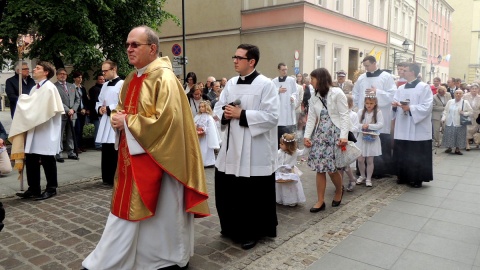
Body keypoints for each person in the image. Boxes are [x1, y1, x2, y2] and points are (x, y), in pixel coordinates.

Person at [82, 25, 209, 270]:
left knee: (164, 212)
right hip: (134, 155)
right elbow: (121, 108)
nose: (129, 49)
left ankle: (169, 257)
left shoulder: (164, 78)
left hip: (162, 159)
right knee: (134, 210)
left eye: (135, 44)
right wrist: (119, 118)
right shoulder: (132, 77)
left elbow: (166, 121)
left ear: (152, 48)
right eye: (127, 44)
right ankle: (142, 255)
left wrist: (127, 122)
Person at [213, 43, 279, 250]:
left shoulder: (265, 84)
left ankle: (252, 232)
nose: (235, 60)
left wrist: (241, 114)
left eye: (239, 58)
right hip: (231, 147)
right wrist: (225, 112)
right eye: (234, 56)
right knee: (228, 190)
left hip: (254, 149)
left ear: (251, 61)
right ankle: (231, 227)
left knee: (251, 196)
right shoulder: (231, 83)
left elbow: (272, 116)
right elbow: (218, 106)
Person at [10, 61, 64, 200]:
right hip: (34, 129)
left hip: (46, 129)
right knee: (32, 159)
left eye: (38, 68)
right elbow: (32, 107)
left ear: (46, 72)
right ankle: (33, 188)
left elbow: (41, 109)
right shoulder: (35, 88)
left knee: (47, 159)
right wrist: (24, 101)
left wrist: (24, 102)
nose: (34, 69)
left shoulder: (49, 88)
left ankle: (51, 188)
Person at [304, 68, 349, 213]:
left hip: (334, 134)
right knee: (320, 169)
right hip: (320, 135)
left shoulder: (337, 93)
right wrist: (306, 136)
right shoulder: (314, 96)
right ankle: (320, 200)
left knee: (332, 169)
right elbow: (311, 118)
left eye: (313, 79)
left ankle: (338, 190)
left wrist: (344, 136)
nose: (311, 82)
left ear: (321, 79)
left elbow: (344, 116)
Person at [352, 55, 396, 177]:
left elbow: (392, 94)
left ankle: (379, 170)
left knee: (379, 141)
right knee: (362, 141)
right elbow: (355, 93)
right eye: (364, 66)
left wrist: (377, 92)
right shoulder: (361, 78)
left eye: (367, 65)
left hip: (380, 114)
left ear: (374, 63)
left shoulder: (386, 77)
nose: (366, 68)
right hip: (364, 115)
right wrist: (358, 108)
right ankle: (362, 169)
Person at [392, 63, 434, 188]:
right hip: (403, 126)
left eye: (405, 70)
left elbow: (427, 106)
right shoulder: (400, 88)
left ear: (413, 72)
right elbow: (395, 101)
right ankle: (403, 175)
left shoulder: (424, 87)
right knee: (403, 150)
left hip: (418, 128)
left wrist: (410, 108)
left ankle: (417, 178)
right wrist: (395, 106)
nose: (402, 72)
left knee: (416, 153)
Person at [95, 60, 123, 186]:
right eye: (103, 71)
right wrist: (100, 108)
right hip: (105, 119)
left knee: (114, 149)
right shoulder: (105, 85)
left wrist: (109, 108)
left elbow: (123, 102)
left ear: (114, 69)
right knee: (106, 149)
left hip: (116, 119)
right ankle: (106, 177)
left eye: (106, 70)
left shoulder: (122, 84)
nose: (103, 73)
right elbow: (99, 100)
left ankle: (115, 177)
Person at [355, 95, 384, 187]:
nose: (369, 105)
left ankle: (368, 178)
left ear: (375, 104)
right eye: (367, 103)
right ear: (364, 103)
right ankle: (362, 175)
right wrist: (362, 126)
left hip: (372, 138)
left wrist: (369, 126)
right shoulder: (360, 112)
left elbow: (380, 124)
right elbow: (356, 124)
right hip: (361, 138)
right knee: (360, 159)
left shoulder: (378, 112)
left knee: (370, 160)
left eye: (371, 103)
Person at [54, 68, 80, 162]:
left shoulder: (71, 86)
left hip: (72, 114)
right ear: (57, 75)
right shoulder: (54, 87)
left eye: (64, 74)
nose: (63, 75)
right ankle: (59, 153)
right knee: (59, 135)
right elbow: (57, 100)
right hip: (61, 114)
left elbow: (78, 99)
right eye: (60, 74)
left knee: (71, 134)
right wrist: (68, 110)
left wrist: (73, 110)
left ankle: (71, 152)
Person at [275, 133, 307, 207]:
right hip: (281, 172)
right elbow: (274, 159)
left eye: (282, 144)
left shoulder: (295, 152)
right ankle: (281, 199)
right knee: (282, 187)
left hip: (291, 172)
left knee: (291, 187)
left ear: (288, 145)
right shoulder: (279, 152)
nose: (280, 145)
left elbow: (303, 152)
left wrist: (307, 147)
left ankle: (292, 200)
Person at [272, 63, 298, 145]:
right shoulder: (274, 81)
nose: (285, 71)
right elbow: (271, 93)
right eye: (283, 70)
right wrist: (278, 90)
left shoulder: (291, 80)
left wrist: (293, 97)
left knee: (288, 131)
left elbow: (295, 92)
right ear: (279, 70)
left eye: (286, 69)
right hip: (278, 109)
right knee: (279, 132)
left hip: (287, 109)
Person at [441, 89, 473, 155]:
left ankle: (457, 149)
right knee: (449, 135)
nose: (458, 95)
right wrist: (443, 118)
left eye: (460, 93)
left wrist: (463, 113)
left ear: (462, 95)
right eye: (457, 93)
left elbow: (471, 111)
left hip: (459, 122)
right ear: (454, 94)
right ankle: (449, 147)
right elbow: (445, 111)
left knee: (459, 136)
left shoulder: (465, 102)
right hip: (450, 121)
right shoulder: (450, 101)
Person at [194, 100, 220, 167]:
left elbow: (211, 128)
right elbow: (195, 123)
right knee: (200, 149)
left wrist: (204, 129)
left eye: (203, 107)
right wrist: (196, 126)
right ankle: (200, 162)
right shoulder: (198, 116)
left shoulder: (209, 117)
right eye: (200, 107)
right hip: (199, 136)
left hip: (206, 137)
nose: (201, 108)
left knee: (206, 149)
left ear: (206, 107)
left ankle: (209, 162)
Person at [343, 95, 359, 192]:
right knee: (339, 165)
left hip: (348, 141)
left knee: (345, 164)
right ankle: (340, 185)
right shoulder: (339, 114)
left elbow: (356, 128)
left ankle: (352, 179)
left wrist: (347, 128)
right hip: (339, 140)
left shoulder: (353, 115)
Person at [88, 74, 106, 150]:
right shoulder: (94, 89)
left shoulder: (105, 88)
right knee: (98, 129)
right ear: (97, 80)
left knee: (102, 129)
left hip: (103, 112)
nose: (102, 81)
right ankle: (98, 144)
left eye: (103, 79)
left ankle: (101, 144)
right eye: (100, 79)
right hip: (96, 113)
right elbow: (94, 101)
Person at [72, 71, 89, 153]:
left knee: (81, 130)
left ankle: (80, 145)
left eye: (81, 77)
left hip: (83, 112)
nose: (80, 79)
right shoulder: (72, 88)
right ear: (74, 78)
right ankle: (76, 147)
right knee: (77, 130)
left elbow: (85, 100)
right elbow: (72, 101)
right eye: (78, 77)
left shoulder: (83, 88)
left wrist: (85, 109)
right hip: (76, 112)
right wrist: (78, 110)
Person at [463, 83, 480, 150]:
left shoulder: (479, 97)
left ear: (478, 90)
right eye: (473, 88)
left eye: (476, 89)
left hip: (476, 116)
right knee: (467, 129)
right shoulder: (465, 96)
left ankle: (476, 141)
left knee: (474, 129)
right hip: (467, 115)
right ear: (470, 89)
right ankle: (467, 144)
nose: (474, 90)